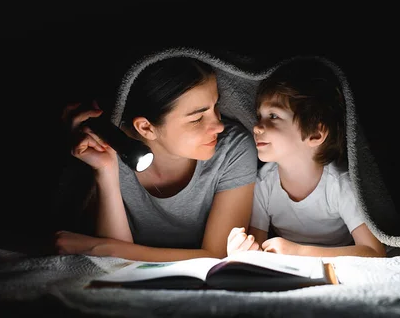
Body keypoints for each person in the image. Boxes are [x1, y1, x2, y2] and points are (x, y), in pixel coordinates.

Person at [54, 56, 258, 262]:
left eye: (216, 107)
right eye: (197, 119)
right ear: (146, 127)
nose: (219, 126)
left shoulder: (233, 148)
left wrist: (99, 247)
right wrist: (105, 170)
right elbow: (115, 266)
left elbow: (218, 256)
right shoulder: (109, 148)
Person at [226, 57, 386, 258]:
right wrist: (243, 248)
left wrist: (299, 251)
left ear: (315, 135)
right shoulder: (263, 185)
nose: (257, 127)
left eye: (273, 116)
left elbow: (374, 251)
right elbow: (258, 247)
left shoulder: (339, 185)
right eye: (260, 117)